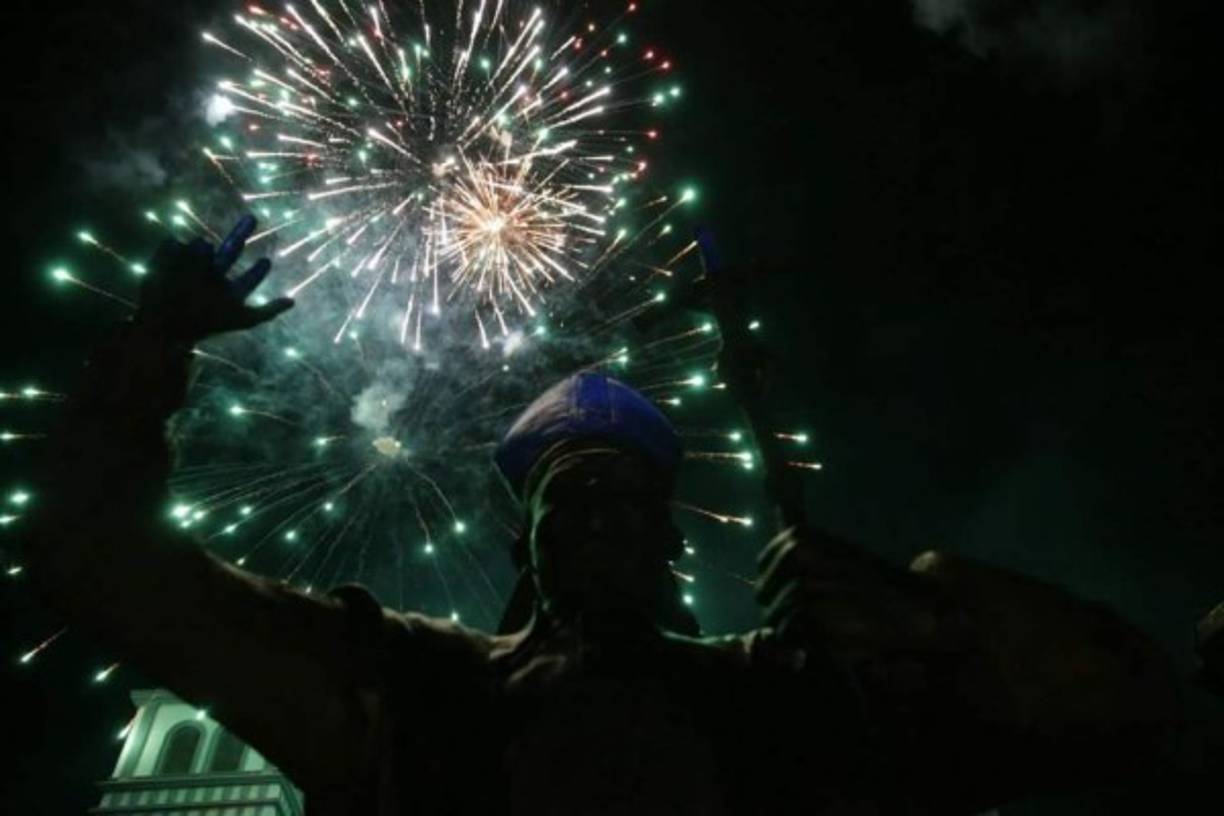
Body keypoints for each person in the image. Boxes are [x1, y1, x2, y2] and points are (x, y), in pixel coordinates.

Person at [24, 216, 1186, 815]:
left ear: (677, 538)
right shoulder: (410, 685)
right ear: (522, 541)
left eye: (629, 501)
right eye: (568, 500)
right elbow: (100, 561)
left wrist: (938, 609)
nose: (599, 523)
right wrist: (150, 349)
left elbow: (1134, 710)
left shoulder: (792, 697)